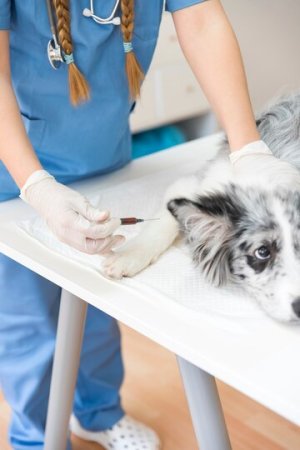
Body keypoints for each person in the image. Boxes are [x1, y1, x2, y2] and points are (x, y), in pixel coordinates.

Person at [0, 1, 289, 449]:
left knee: (95, 302)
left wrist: (246, 144)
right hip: (10, 172)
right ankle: (34, 438)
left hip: (102, 154)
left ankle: (98, 414)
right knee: (29, 321)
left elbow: (203, 20)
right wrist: (36, 185)